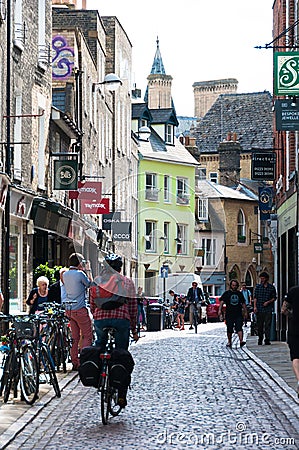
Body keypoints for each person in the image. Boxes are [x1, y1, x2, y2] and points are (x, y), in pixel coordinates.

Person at [89, 253, 138, 408]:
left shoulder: (96, 282)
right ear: (120, 268)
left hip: (100, 320)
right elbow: (132, 307)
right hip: (121, 320)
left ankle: (99, 377)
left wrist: (97, 316)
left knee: (100, 346)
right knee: (121, 353)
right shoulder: (127, 282)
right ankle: (121, 394)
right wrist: (134, 329)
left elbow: (92, 304)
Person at [62, 253, 93, 371]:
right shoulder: (80, 274)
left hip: (69, 309)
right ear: (79, 263)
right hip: (80, 308)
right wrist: (88, 271)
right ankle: (85, 360)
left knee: (75, 337)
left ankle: (74, 361)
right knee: (87, 335)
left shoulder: (65, 274)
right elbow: (89, 284)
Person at [218, 279, 247, 348]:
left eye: (235, 285)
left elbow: (243, 303)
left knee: (239, 327)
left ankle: (241, 341)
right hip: (229, 313)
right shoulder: (227, 293)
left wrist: (245, 312)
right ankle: (229, 341)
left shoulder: (239, 294)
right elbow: (222, 302)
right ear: (231, 285)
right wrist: (220, 310)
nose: (234, 286)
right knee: (229, 328)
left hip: (238, 313)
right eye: (233, 285)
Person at [282, 286, 299, 398]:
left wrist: (292, 316)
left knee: (296, 357)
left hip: (295, 328)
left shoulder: (293, 291)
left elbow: (283, 309)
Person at [253, 272, 277, 345]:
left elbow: (274, 298)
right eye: (261, 278)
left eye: (263, 278)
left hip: (268, 309)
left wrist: (268, 302)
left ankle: (267, 339)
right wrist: (255, 307)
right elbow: (255, 297)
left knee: (267, 325)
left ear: (266, 279)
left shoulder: (271, 288)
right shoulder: (258, 287)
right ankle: (260, 339)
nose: (262, 280)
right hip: (259, 308)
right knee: (259, 325)